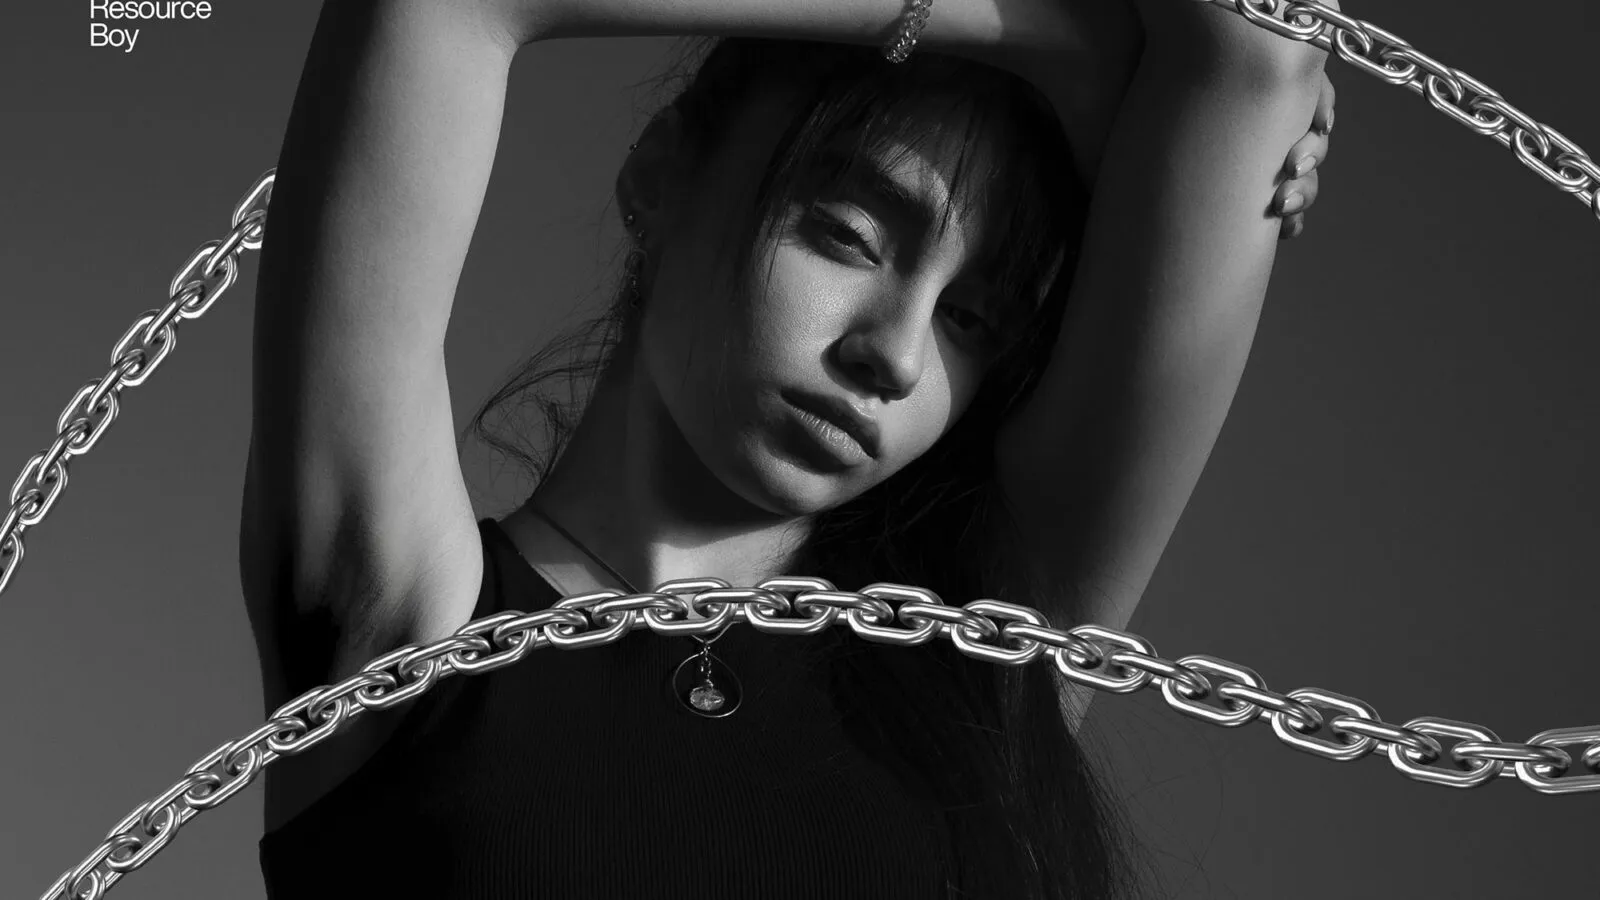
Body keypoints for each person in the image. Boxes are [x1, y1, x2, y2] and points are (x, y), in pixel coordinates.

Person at [240, 0, 1334, 897]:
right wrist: (1055, 43)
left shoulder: (989, 649)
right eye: (849, 236)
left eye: (970, 319)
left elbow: (1260, 41)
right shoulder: (399, 618)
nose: (895, 354)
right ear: (662, 174)